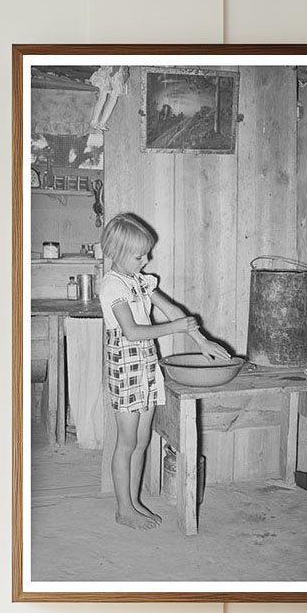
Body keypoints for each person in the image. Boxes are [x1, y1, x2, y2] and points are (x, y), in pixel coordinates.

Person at [98, 212, 230, 531]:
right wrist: (174, 328)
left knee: (143, 441)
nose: (147, 259)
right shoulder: (112, 286)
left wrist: (202, 341)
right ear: (115, 252)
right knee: (126, 442)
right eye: (140, 255)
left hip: (145, 365)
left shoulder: (140, 281)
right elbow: (131, 331)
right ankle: (123, 508)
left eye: (147, 253)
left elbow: (174, 311)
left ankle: (134, 501)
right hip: (126, 367)